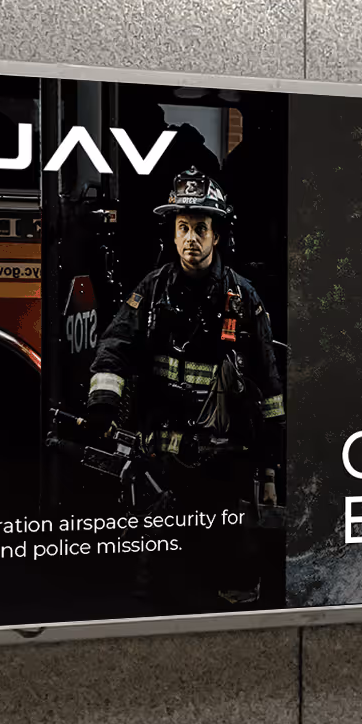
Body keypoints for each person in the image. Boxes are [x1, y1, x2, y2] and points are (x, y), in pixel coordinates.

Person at [86, 171, 285, 605]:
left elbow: (269, 388)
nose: (190, 238)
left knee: (232, 578)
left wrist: (269, 469)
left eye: (200, 228)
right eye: (183, 228)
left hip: (225, 468)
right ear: (172, 236)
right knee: (163, 575)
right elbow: (115, 346)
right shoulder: (151, 292)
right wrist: (104, 401)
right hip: (163, 464)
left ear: (217, 235)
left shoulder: (243, 300)